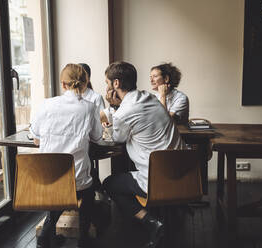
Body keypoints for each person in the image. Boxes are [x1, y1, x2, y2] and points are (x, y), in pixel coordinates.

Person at [102, 61, 186, 248]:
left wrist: (114, 109)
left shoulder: (125, 111)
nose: (106, 87)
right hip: (185, 175)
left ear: (116, 84)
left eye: (107, 83)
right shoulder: (151, 97)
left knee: (110, 184)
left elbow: (117, 138)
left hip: (158, 180)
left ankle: (151, 222)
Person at [30, 63, 103, 248]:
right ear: (86, 83)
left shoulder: (46, 104)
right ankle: (84, 239)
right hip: (76, 179)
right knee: (87, 190)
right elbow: (97, 137)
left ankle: (45, 237)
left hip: (48, 178)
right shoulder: (89, 107)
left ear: (63, 84)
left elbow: (36, 139)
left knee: (60, 191)